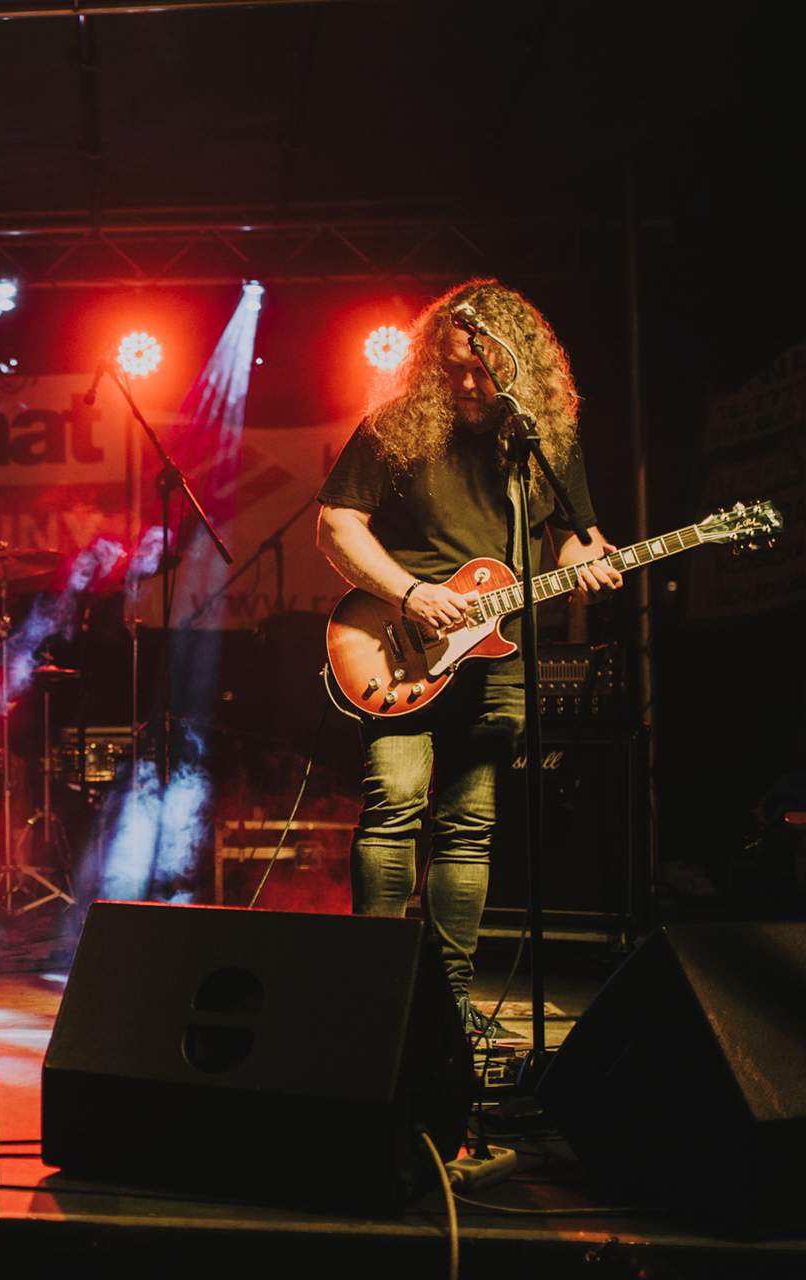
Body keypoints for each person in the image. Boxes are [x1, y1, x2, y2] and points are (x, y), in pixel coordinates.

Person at [315, 279, 624, 1034]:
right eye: (451, 368)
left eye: (481, 370)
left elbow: (575, 539)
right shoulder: (395, 428)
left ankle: (450, 1000)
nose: (466, 384)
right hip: (397, 644)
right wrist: (411, 592)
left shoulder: (546, 441)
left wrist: (592, 566)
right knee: (395, 805)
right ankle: (374, 992)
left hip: (500, 652)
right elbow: (336, 525)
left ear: (520, 366)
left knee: (469, 824)